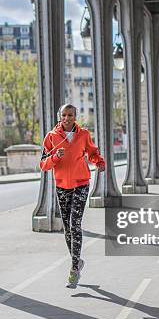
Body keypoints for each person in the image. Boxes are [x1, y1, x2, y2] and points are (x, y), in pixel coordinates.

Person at [39, 104, 105, 288]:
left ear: (75, 116)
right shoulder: (51, 137)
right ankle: (78, 261)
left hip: (81, 183)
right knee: (67, 228)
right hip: (62, 186)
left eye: (71, 115)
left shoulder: (83, 134)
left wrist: (98, 161)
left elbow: (92, 152)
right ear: (59, 116)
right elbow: (43, 164)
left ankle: (74, 269)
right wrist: (55, 157)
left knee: (75, 224)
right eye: (64, 115)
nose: (67, 118)